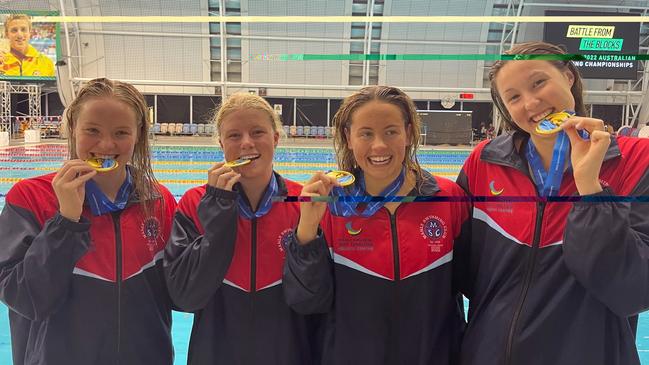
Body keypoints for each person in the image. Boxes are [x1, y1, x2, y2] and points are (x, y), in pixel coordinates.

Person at [455, 41, 649, 365]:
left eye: (538, 82)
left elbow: (633, 289)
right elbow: (461, 272)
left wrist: (591, 190)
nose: (531, 103)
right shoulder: (484, 162)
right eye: (514, 97)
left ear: (568, 76)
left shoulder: (636, 161)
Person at [283, 85, 470, 365]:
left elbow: (471, 284)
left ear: (408, 133)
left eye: (391, 131)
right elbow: (307, 301)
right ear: (348, 137)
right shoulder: (330, 205)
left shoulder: (447, 198)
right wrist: (307, 228)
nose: (379, 146)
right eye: (366, 133)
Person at [0, 78, 177, 365]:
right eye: (92, 130)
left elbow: (181, 295)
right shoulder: (30, 198)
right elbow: (26, 300)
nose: (106, 144)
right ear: (72, 129)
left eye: (121, 132)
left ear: (138, 135)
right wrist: (67, 222)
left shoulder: (159, 201)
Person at [164, 93, 323, 365]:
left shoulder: (304, 204)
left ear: (275, 138)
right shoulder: (195, 202)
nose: (247, 143)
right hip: (215, 352)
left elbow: (315, 300)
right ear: (221, 143)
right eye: (234, 135)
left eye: (257, 132)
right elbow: (185, 298)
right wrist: (218, 210)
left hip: (287, 352)